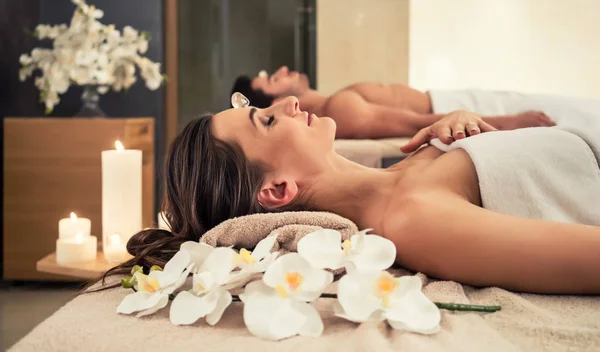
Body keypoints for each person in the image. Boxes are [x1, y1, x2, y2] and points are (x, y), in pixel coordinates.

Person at [109, 97, 600, 295]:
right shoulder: (411, 219)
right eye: (269, 119)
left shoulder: (408, 173)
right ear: (278, 190)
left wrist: (471, 134)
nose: (291, 103)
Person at [231, 66, 561, 139]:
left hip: (459, 98)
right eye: (274, 79)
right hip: (462, 107)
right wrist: (508, 121)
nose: (285, 71)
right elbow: (418, 124)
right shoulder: (339, 110)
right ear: (275, 101)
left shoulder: (335, 100)